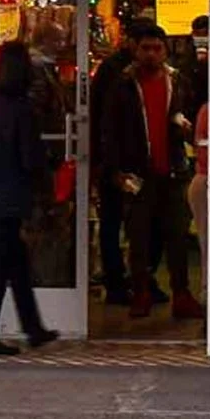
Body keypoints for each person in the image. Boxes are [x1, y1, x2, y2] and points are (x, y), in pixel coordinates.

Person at [98, 21, 199, 320]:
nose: (152, 54)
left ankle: (181, 293)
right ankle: (140, 291)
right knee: (139, 237)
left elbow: (186, 115)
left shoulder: (177, 82)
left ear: (165, 50)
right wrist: (115, 170)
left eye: (157, 48)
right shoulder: (123, 85)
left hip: (172, 169)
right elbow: (109, 130)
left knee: (176, 236)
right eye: (146, 48)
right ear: (134, 48)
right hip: (137, 172)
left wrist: (184, 128)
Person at [0, 40, 59, 355]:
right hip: (11, 194)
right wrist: (46, 194)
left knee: (15, 258)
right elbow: (31, 158)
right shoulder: (22, 110)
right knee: (2, 264)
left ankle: (33, 327)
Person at [86, 38, 138, 304]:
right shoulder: (118, 74)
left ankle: (122, 280)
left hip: (115, 159)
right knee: (116, 221)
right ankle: (118, 281)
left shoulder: (127, 72)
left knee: (116, 222)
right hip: (115, 161)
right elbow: (107, 122)